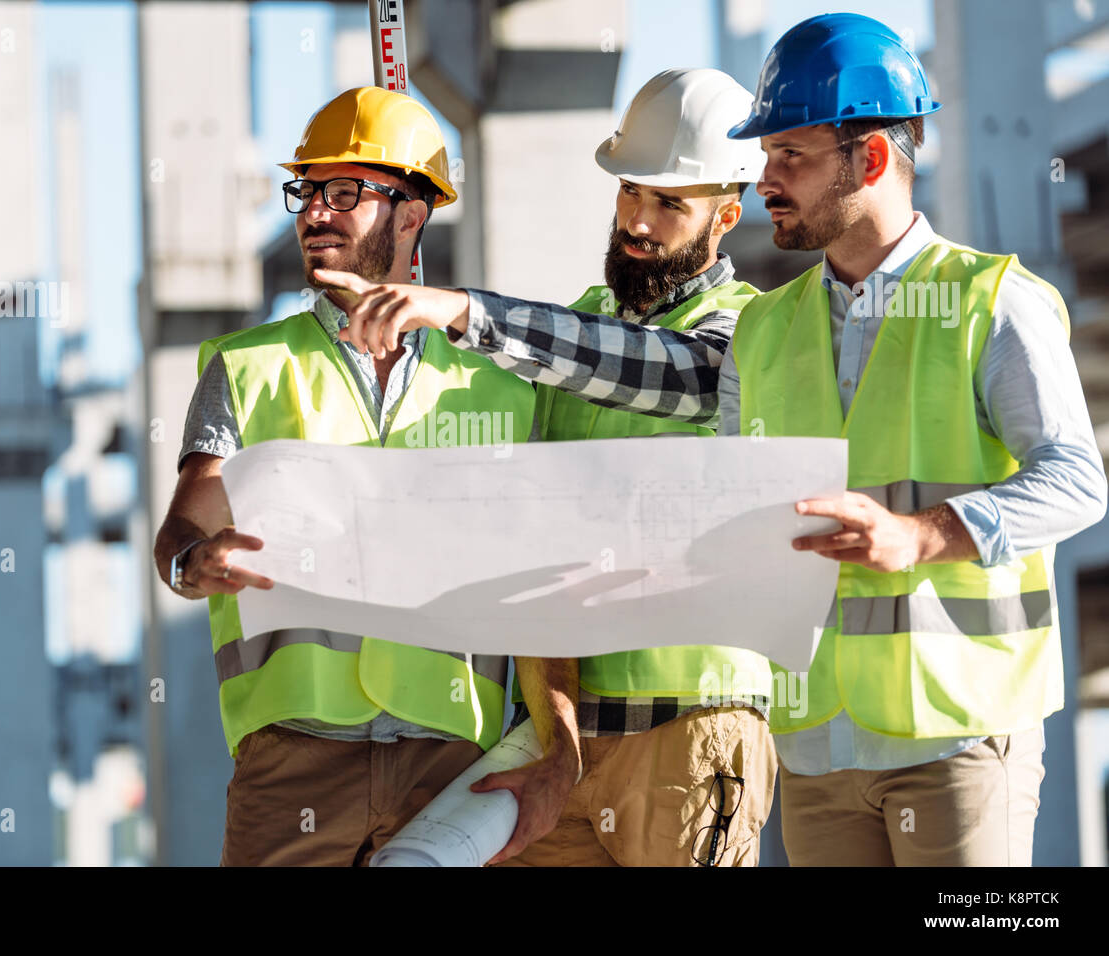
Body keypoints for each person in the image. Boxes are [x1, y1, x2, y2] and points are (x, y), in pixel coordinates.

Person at [318, 69, 779, 867]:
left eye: (670, 204)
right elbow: (537, 550)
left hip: (691, 731)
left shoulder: (750, 332)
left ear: (726, 216)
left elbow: (662, 373)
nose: (637, 220)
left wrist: (464, 311)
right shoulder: (577, 330)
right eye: (631, 192)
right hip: (562, 741)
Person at [153, 86, 578, 866]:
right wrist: (193, 562)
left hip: (451, 760)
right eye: (306, 192)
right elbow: (179, 537)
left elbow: (536, 589)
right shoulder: (246, 367)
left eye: (343, 193)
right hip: (293, 763)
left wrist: (560, 752)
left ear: (410, 215)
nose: (314, 212)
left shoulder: (500, 382)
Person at [718, 11, 1106, 866]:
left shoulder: (990, 300)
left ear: (874, 158)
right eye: (764, 156)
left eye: (791, 155)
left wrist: (921, 535)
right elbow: (731, 505)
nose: (764, 181)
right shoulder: (762, 330)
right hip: (816, 745)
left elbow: (1079, 479)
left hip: (962, 738)